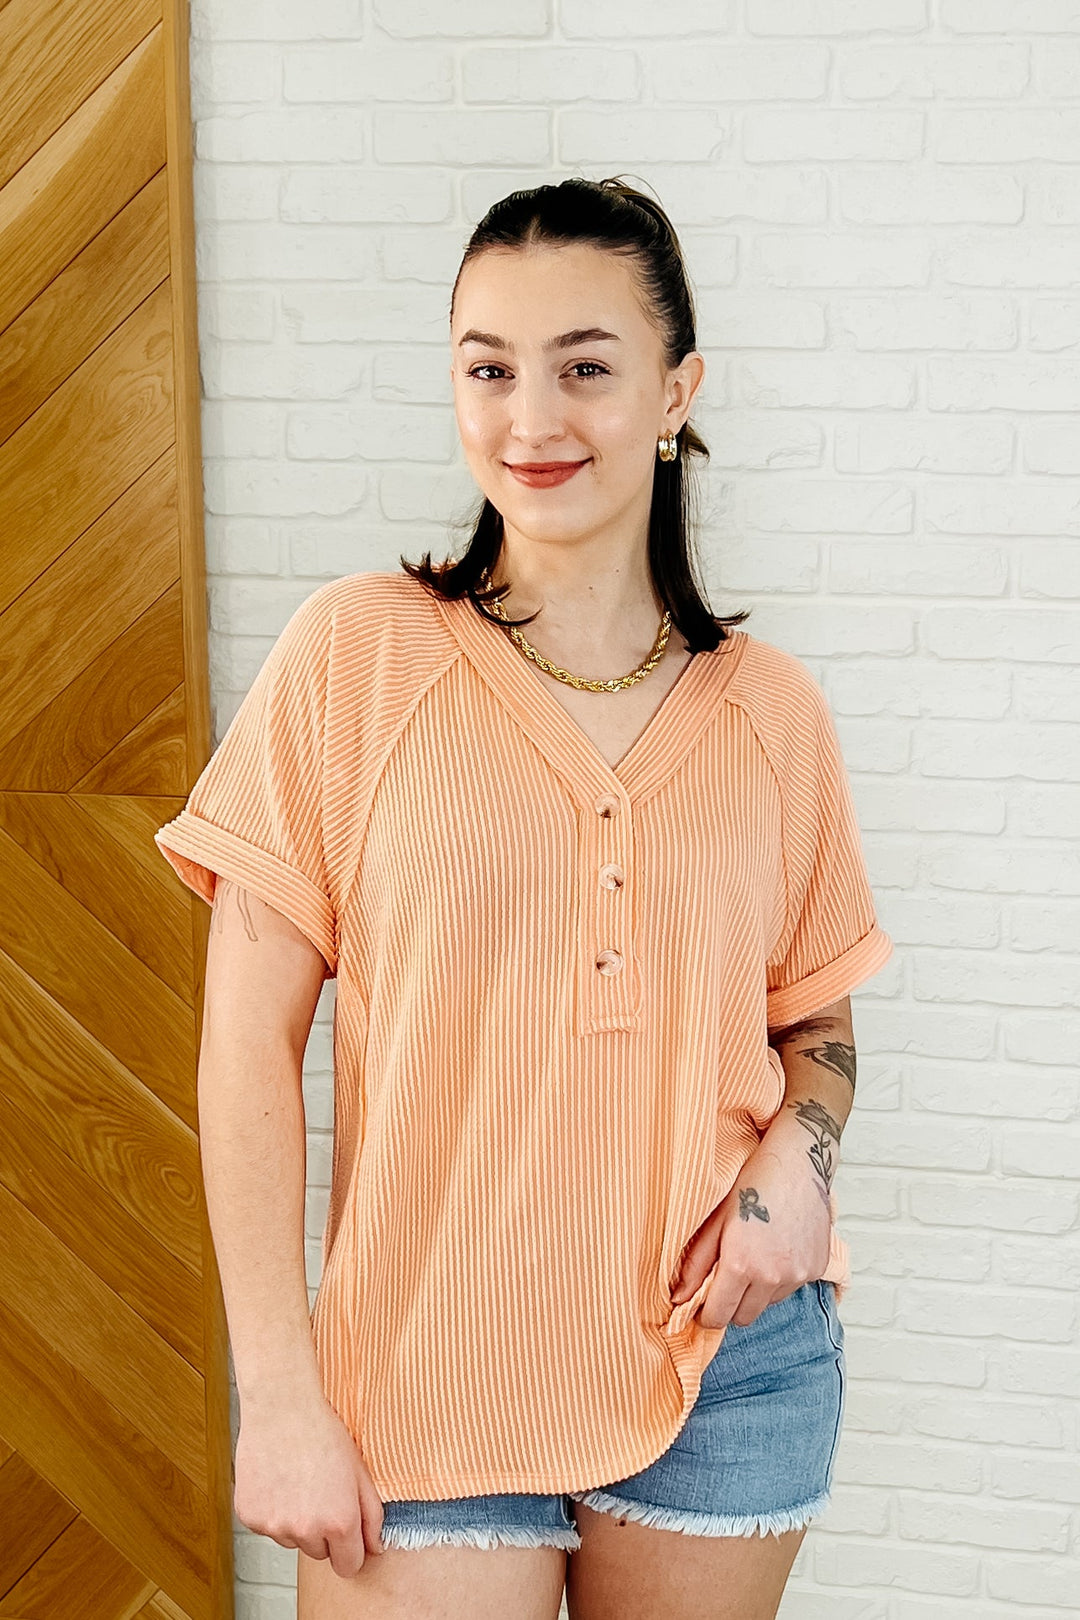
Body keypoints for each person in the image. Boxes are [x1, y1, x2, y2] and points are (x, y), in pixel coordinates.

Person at [155, 177, 893, 1620]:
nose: (531, 419)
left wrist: (795, 1172)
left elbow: (817, 1028)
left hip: (721, 1359)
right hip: (420, 1365)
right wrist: (280, 1394)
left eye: (585, 367)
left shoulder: (772, 713)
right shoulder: (355, 657)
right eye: (488, 368)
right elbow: (247, 1048)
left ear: (677, 392)